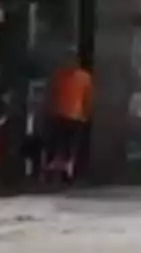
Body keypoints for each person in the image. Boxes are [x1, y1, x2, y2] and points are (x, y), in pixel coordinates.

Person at [44, 52, 92, 182]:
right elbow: (52, 94)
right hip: (62, 115)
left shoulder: (83, 77)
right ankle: (62, 170)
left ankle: (66, 170)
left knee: (69, 145)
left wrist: (86, 113)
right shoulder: (60, 75)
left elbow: (87, 98)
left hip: (74, 116)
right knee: (63, 145)